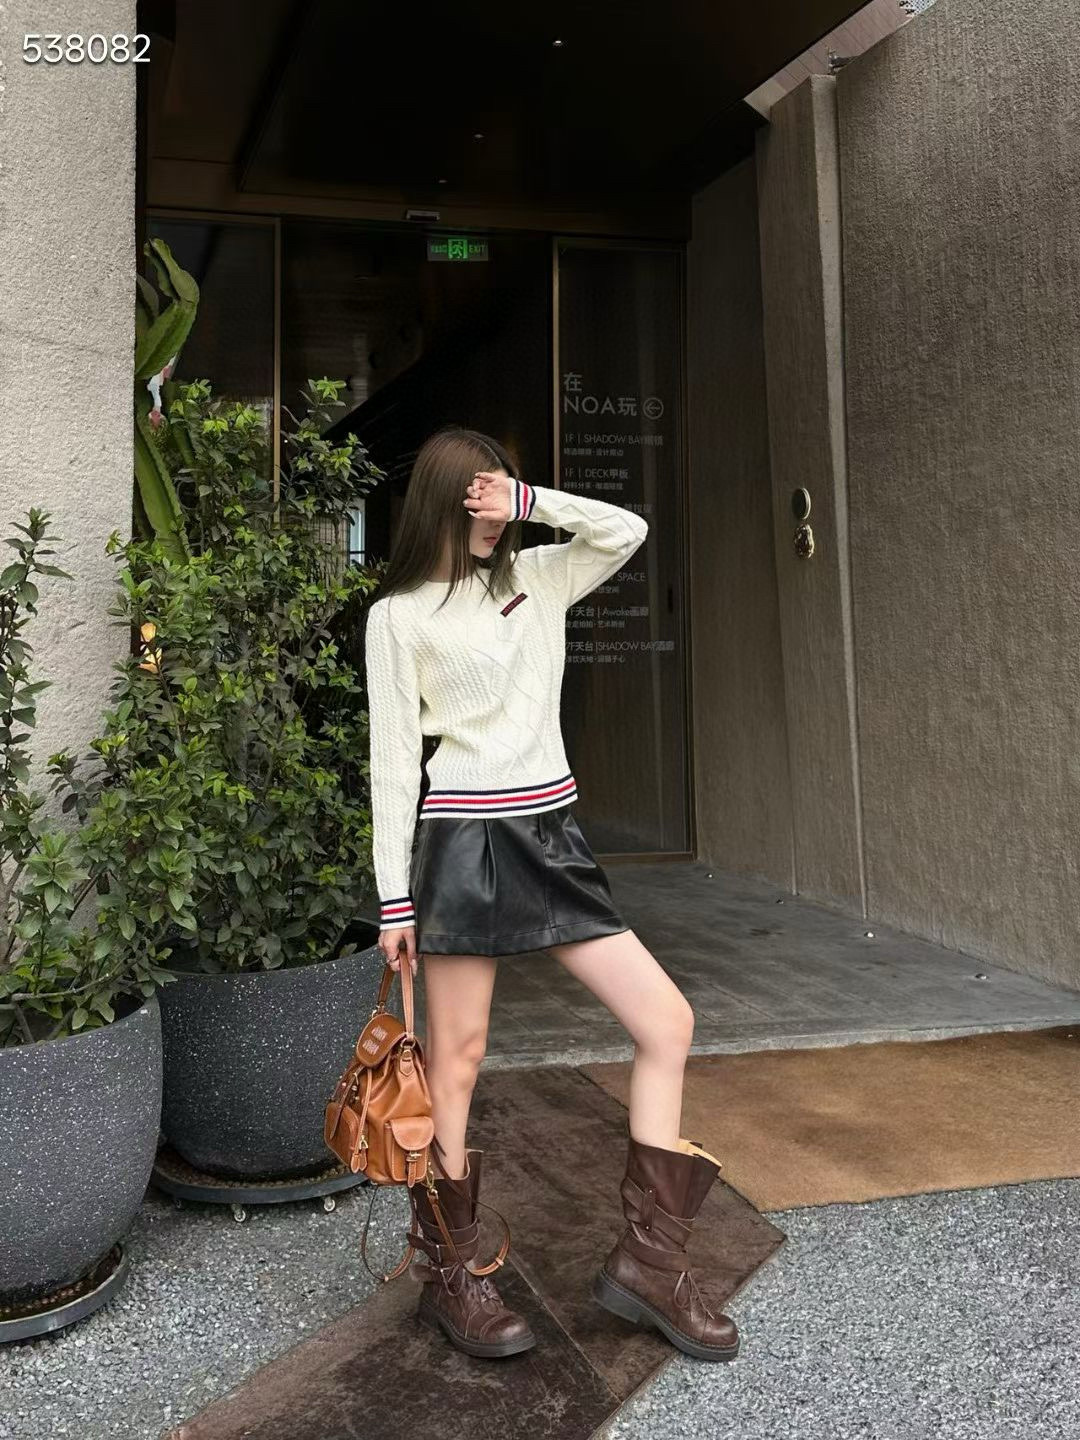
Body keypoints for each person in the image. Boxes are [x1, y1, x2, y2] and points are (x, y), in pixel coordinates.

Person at [362, 425, 739, 1363]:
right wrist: (394, 900)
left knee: (667, 1021)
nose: (491, 511)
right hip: (462, 841)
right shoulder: (399, 617)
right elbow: (393, 763)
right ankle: (452, 1274)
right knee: (457, 1059)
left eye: (502, 493)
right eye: (478, 496)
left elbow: (627, 531)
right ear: (443, 501)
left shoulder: (540, 576)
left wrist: (531, 504)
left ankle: (651, 1263)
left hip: (551, 835)